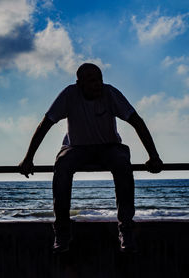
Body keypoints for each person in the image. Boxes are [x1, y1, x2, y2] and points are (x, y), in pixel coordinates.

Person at [19, 63, 163, 253]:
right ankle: (62, 232)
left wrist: (154, 156)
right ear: (79, 83)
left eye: (99, 80)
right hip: (76, 147)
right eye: (91, 81)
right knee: (62, 166)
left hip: (108, 146)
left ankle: (126, 229)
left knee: (122, 164)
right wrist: (28, 158)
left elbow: (137, 121)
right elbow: (45, 124)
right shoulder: (69, 95)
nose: (97, 84)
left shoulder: (110, 93)